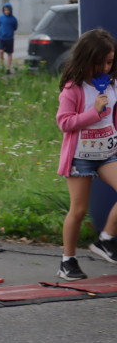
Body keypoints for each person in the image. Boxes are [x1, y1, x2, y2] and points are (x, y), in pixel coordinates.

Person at [54, 28, 117, 280]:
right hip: (80, 157)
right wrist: (94, 113)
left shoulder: (112, 84)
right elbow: (64, 122)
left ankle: (106, 238)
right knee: (78, 210)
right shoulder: (74, 89)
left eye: (109, 62)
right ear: (85, 60)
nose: (104, 68)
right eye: (99, 63)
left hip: (108, 153)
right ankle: (67, 260)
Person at [0, 3, 18, 72]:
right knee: (1, 51)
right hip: (2, 38)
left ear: (10, 10)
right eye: (5, 10)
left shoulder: (13, 19)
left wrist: (9, 32)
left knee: (9, 53)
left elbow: (15, 27)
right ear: (3, 10)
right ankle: (1, 65)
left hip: (10, 38)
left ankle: (8, 68)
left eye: (8, 10)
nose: (6, 12)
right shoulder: (1, 18)